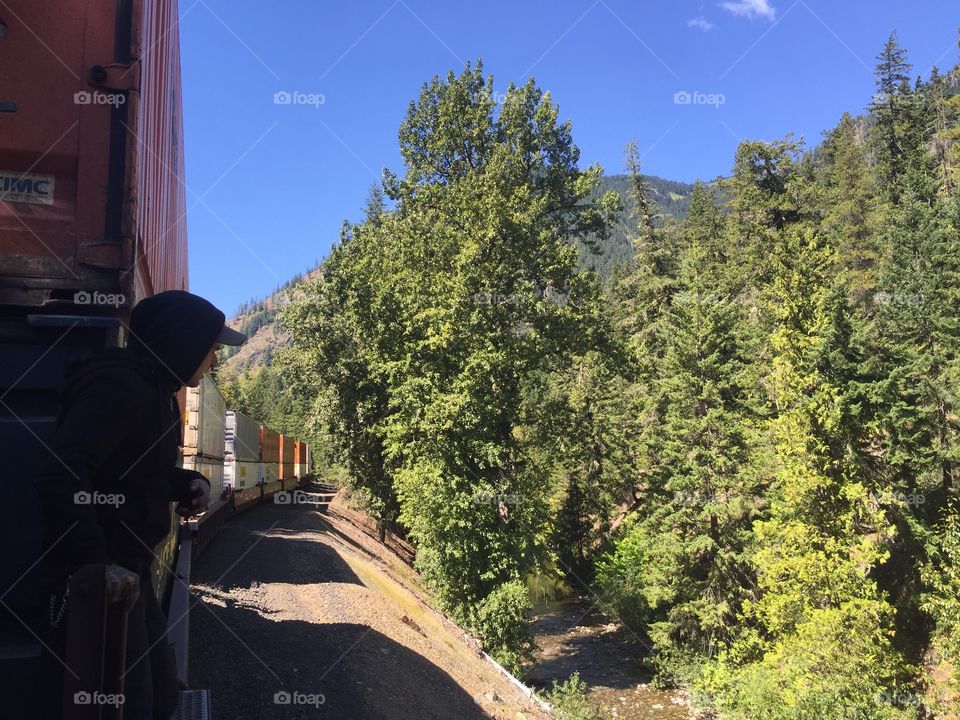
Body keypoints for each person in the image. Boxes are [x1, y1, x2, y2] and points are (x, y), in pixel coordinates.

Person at [32, 290, 246, 719]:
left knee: (164, 696)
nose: (214, 363)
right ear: (183, 343)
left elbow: (134, 470)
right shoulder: (119, 387)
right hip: (104, 580)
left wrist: (186, 484)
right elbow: (60, 475)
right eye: (210, 351)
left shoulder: (156, 391)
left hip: (131, 573)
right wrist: (96, 567)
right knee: (132, 706)